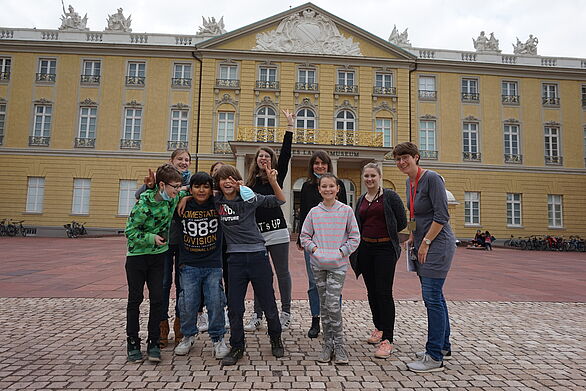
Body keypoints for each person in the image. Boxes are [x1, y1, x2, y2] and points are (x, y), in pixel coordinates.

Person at [213, 164, 286, 366]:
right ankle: (237, 346)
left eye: (231, 178)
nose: (227, 181)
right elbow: (193, 191)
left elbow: (280, 200)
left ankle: (275, 337)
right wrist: (184, 196)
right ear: (218, 183)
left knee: (268, 302)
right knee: (235, 308)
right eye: (222, 179)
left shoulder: (249, 198)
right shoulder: (216, 200)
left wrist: (272, 181)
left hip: (257, 257)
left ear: (238, 181)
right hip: (234, 261)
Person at [393, 142, 456, 373]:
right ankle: (443, 346)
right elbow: (414, 214)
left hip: (437, 245)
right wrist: (411, 235)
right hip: (423, 244)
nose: (401, 162)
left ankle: (434, 356)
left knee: (431, 298)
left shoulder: (432, 179)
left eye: (405, 157)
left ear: (416, 157)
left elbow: (442, 215)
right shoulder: (409, 182)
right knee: (436, 296)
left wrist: (426, 242)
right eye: (398, 159)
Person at [135, 149, 202, 348]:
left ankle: (181, 326)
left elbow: (203, 195)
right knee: (162, 285)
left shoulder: (192, 181)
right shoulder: (161, 179)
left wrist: (186, 196)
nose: (184, 162)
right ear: (171, 161)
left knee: (183, 286)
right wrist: (152, 184)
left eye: (187, 160)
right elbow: (139, 195)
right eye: (180, 159)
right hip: (162, 241)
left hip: (184, 242)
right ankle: (161, 327)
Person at [124, 164, 185, 363]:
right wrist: (151, 238)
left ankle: (153, 342)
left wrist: (188, 195)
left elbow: (185, 193)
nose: (177, 190)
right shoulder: (142, 206)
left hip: (159, 257)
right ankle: (132, 342)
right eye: (174, 186)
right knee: (135, 299)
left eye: (178, 186)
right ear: (162, 185)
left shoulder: (172, 199)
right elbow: (130, 233)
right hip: (137, 257)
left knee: (158, 300)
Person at [300, 173, 360, 364]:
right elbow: (304, 236)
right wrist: (315, 250)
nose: (327, 190)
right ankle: (328, 344)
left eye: (331, 186)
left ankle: (340, 345)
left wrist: (341, 252)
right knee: (324, 306)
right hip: (318, 265)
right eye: (323, 186)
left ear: (337, 189)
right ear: (319, 189)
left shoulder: (346, 211)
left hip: (338, 265)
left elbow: (355, 237)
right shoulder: (314, 212)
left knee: (333, 304)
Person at [244, 109, 294, 332]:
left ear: (271, 160)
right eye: (260, 156)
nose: (263, 158)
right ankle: (257, 314)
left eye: (267, 155)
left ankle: (286, 312)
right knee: (261, 275)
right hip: (257, 234)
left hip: (278, 231)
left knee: (282, 273)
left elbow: (286, 153)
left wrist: (289, 126)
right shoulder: (249, 182)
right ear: (256, 160)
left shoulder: (277, 175)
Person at [351, 163, 407, 359]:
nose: (369, 179)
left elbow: (402, 221)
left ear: (379, 176)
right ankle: (379, 328)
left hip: (385, 249)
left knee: (384, 293)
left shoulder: (389, 196)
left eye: (373, 175)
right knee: (372, 292)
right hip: (366, 249)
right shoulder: (361, 200)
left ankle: (388, 339)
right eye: (366, 175)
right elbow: (358, 223)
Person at [173, 172, 230, 359]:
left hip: (213, 264)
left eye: (205, 186)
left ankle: (218, 338)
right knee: (188, 303)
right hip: (189, 264)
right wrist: (186, 196)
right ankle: (187, 335)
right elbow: (166, 196)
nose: (201, 190)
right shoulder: (183, 205)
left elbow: (232, 192)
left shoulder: (217, 204)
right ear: (191, 188)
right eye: (197, 186)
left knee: (215, 302)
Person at [297, 151, 348, 339]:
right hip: (313, 244)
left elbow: (343, 215)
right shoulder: (307, 186)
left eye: (323, 163)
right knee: (314, 284)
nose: (319, 166)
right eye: (316, 163)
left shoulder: (338, 185)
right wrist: (301, 239)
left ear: (328, 165)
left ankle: (335, 319)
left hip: (334, 243)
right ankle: (316, 318)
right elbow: (303, 213)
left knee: (334, 285)